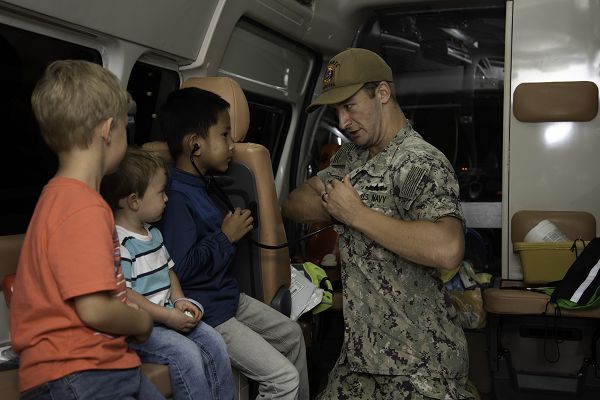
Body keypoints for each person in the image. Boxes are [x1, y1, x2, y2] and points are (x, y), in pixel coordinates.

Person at [282, 48, 474, 399]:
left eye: (350, 106)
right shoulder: (351, 157)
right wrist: (337, 205)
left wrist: (356, 213)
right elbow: (295, 203)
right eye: (336, 111)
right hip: (361, 358)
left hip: (420, 363)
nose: (342, 122)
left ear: (382, 93)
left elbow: (448, 249)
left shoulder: (420, 162)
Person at [9, 60, 164, 399]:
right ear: (108, 129)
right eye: (125, 126)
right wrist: (140, 321)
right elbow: (94, 309)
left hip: (94, 367)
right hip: (79, 372)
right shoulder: (84, 206)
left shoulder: (57, 196)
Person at [158, 87, 309, 400]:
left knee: (293, 335)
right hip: (208, 311)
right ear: (194, 145)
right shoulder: (175, 198)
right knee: (283, 380)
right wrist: (225, 237)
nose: (232, 144)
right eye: (224, 135)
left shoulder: (200, 185)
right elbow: (181, 270)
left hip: (226, 297)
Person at [100, 146, 234, 400]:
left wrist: (180, 299)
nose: (167, 198)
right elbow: (125, 294)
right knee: (187, 355)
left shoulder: (154, 233)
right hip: (144, 328)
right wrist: (167, 316)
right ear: (134, 200)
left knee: (215, 342)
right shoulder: (120, 242)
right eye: (161, 192)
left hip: (168, 313)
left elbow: (168, 270)